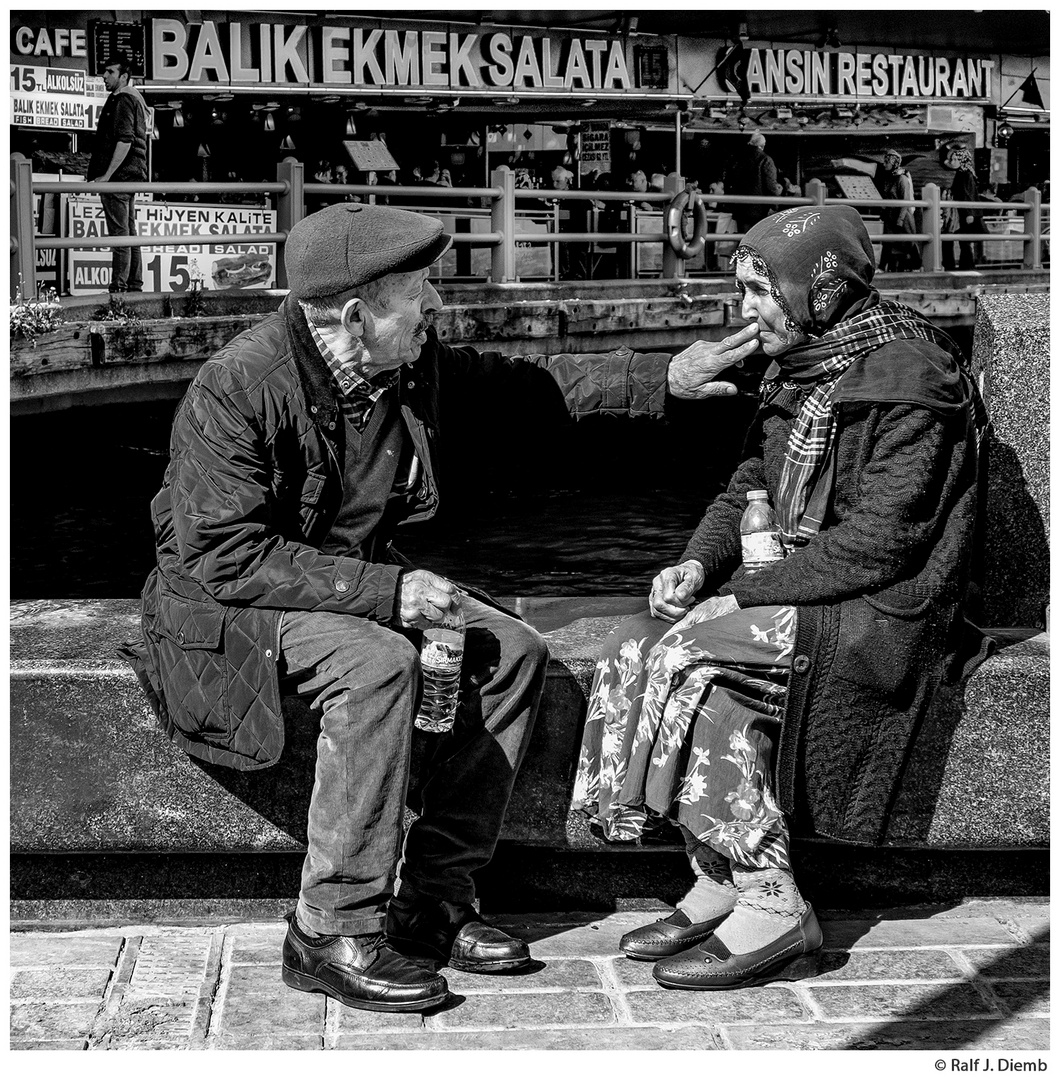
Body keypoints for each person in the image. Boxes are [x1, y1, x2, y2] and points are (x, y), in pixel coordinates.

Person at [120, 202, 746, 1014]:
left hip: (342, 579)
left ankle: (433, 904)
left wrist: (661, 376)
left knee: (514, 651)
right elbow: (222, 555)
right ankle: (329, 928)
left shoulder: (404, 362)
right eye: (420, 291)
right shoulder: (240, 386)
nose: (436, 306)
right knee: (378, 664)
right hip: (238, 600)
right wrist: (389, 592)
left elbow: (526, 387)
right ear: (356, 314)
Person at [572, 204, 991, 991]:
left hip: (879, 605)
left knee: (695, 660)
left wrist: (743, 596)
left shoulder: (909, 377)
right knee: (635, 647)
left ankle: (772, 901)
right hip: (800, 583)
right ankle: (725, 880)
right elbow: (750, 486)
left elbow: (884, 541)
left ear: (820, 291)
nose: (747, 310)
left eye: (762, 291)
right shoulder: (798, 366)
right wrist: (698, 567)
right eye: (744, 290)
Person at [87, 51, 149, 294]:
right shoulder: (134, 99)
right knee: (129, 235)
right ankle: (133, 288)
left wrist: (106, 177)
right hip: (131, 177)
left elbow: (124, 141)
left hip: (119, 178)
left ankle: (119, 290)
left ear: (124, 76)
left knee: (120, 236)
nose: (104, 76)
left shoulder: (121, 100)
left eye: (110, 72)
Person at [723, 133, 782, 235]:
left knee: (743, 238)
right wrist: (775, 206)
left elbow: (729, 181)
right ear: (763, 145)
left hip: (740, 206)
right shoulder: (766, 160)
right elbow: (770, 185)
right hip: (760, 208)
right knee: (758, 239)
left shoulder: (739, 159)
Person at [877, 149, 919, 272]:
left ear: (894, 163)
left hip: (902, 215)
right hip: (890, 214)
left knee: (907, 242)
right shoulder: (888, 178)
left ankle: (917, 264)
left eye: (887, 162)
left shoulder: (902, 179)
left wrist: (900, 220)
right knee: (888, 242)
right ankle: (882, 266)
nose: (884, 165)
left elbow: (905, 200)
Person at [943, 146, 982, 271]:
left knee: (962, 241)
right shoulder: (965, 173)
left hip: (964, 213)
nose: (952, 161)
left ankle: (963, 266)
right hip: (964, 212)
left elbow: (967, 194)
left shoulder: (965, 174)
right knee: (963, 241)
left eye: (955, 159)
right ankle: (966, 266)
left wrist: (969, 213)